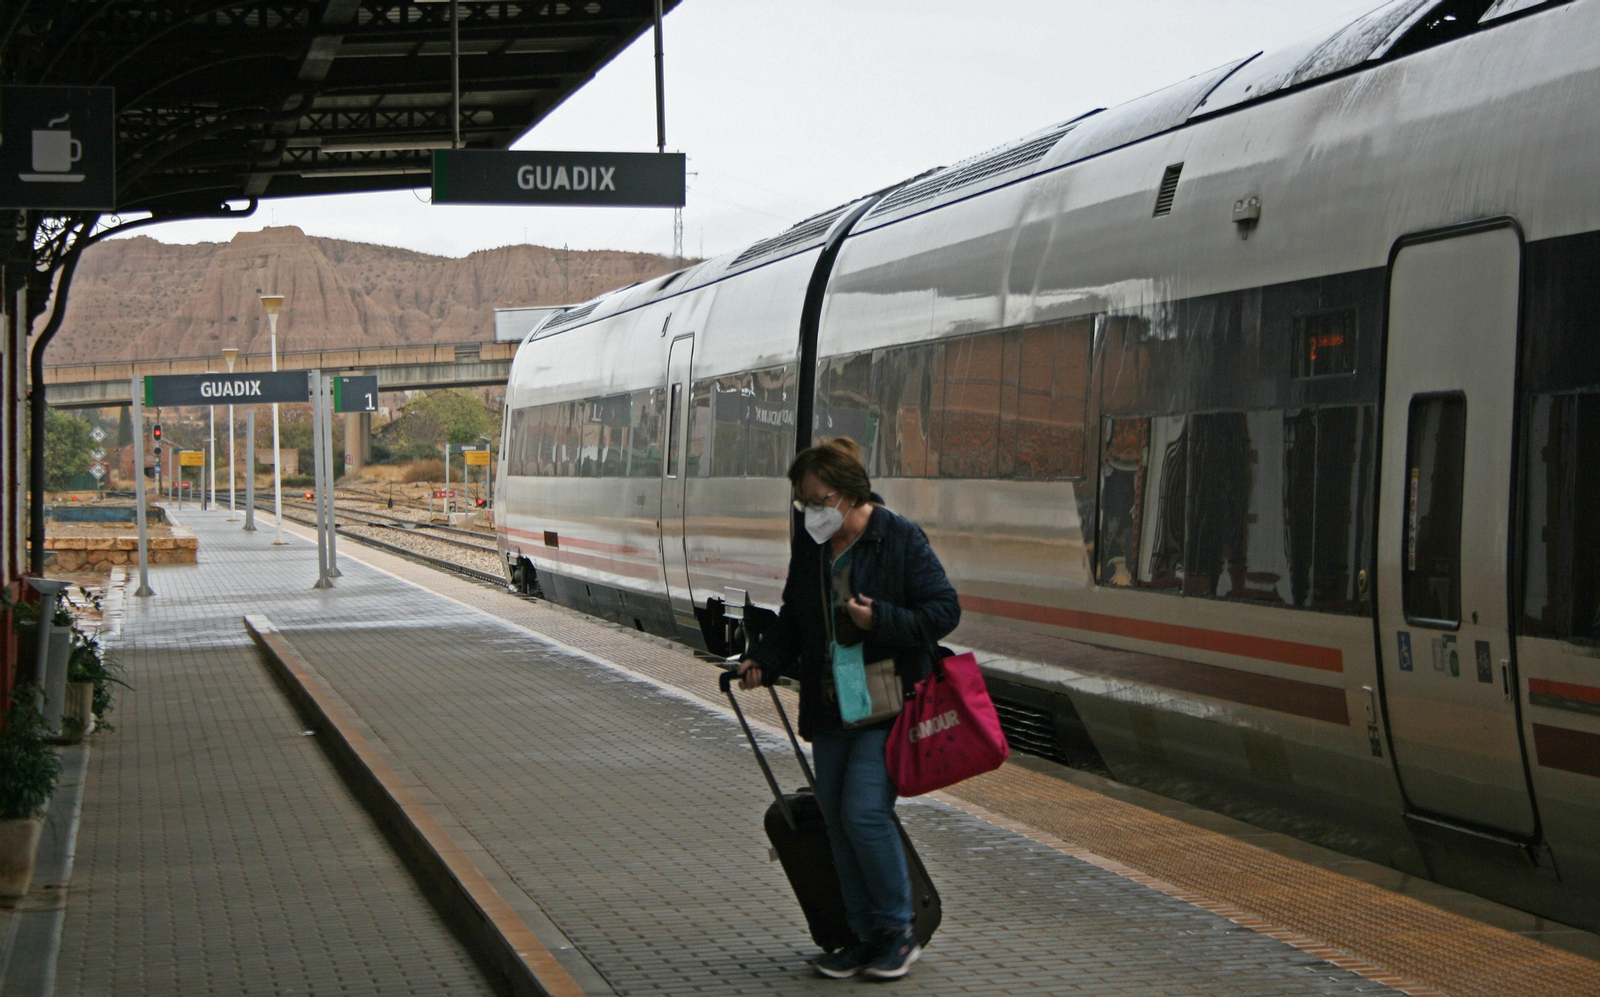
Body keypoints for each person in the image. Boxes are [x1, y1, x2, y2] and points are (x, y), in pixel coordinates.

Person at [736, 437, 959, 981]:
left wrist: (879, 619)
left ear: (847, 495)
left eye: (816, 501)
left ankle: (897, 933)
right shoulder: (814, 548)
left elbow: (942, 611)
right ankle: (860, 937)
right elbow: (794, 616)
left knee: (863, 812)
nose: (809, 513)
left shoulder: (898, 538)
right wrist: (762, 658)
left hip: (888, 704)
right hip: (832, 703)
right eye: (802, 503)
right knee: (836, 820)